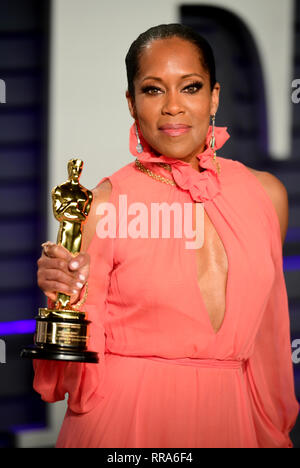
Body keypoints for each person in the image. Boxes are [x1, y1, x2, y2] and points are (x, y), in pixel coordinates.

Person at [33, 23, 299, 448]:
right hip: (126, 423)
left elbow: (268, 339)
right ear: (131, 102)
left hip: (233, 422)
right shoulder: (103, 205)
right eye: (154, 90)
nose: (173, 107)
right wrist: (60, 291)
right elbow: (70, 369)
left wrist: (272, 431)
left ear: (214, 96)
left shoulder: (267, 196)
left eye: (190, 87)